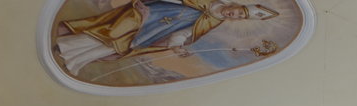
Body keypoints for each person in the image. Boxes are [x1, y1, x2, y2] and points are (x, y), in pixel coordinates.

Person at [55, 1, 278, 77]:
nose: (234, 15)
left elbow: (185, 32)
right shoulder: (207, 1)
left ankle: (74, 59)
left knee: (118, 46)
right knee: (112, 32)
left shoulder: (213, 22)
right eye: (238, 11)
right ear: (236, 5)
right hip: (148, 13)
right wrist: (145, 8)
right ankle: (66, 46)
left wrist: (177, 46)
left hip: (154, 32)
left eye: (238, 18)